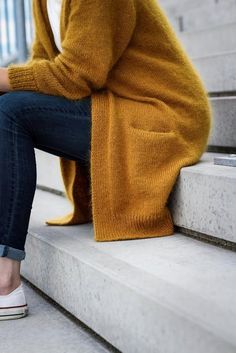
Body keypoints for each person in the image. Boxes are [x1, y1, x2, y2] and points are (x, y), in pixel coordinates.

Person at [0, 0, 212, 321]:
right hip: (113, 106)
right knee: (7, 102)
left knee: (9, 110)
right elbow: (41, 66)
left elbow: (77, 77)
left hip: (158, 115)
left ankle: (4, 279)